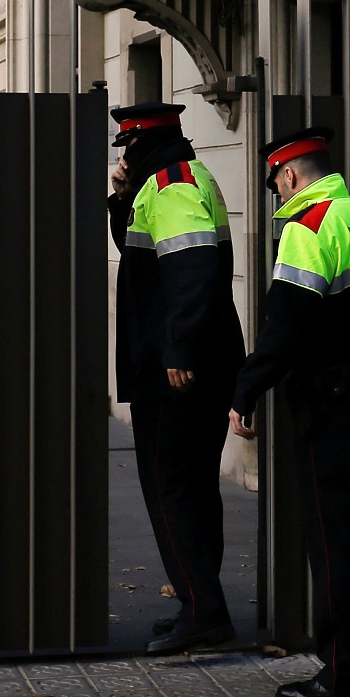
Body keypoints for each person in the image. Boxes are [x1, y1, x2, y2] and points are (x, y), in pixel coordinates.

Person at [228, 126, 350, 697]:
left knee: (334, 543)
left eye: (276, 188)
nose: (278, 200)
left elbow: (286, 329)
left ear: (288, 176)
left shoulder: (308, 229)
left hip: (333, 405)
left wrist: (244, 391)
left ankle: (344, 674)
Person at [107, 102, 244, 655]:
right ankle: (198, 603)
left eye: (126, 148)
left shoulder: (173, 186)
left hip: (176, 369)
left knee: (171, 489)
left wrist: (179, 348)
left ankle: (204, 611)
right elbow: (140, 252)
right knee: (190, 490)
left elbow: (193, 272)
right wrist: (120, 197)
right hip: (185, 360)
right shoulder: (170, 183)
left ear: (142, 143)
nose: (123, 157)